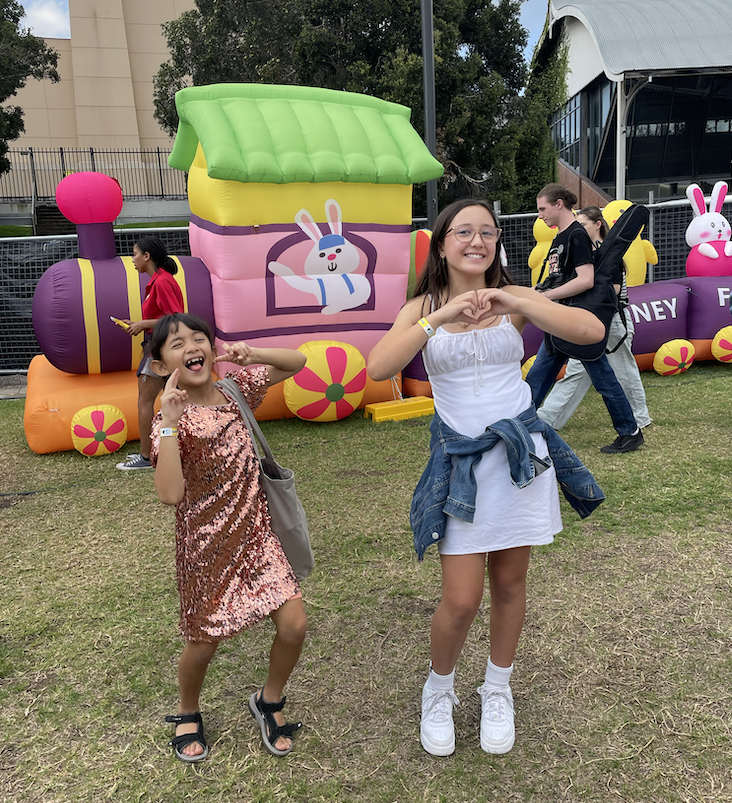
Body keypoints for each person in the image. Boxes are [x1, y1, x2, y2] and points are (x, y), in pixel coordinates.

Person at [367, 199, 605, 757]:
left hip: (520, 460)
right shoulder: (422, 308)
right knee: (460, 599)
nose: (477, 241)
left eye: (488, 233)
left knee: (510, 584)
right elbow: (377, 368)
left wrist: (516, 302)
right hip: (461, 467)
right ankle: (438, 690)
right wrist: (440, 317)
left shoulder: (513, 297)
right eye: (464, 232)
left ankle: (498, 689)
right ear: (441, 242)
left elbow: (591, 331)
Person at [148, 312, 308, 762]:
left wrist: (251, 354)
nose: (191, 347)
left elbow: (297, 362)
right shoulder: (170, 420)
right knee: (203, 644)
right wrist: (170, 421)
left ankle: (268, 700)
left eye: (198, 338)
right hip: (206, 549)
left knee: (294, 625)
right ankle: (187, 709)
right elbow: (170, 494)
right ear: (161, 366)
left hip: (258, 536)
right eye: (176, 344)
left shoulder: (236, 391)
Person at [526, 184, 644, 454]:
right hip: (561, 320)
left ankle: (630, 431)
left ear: (559, 204)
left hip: (574, 321)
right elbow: (559, 277)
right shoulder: (561, 237)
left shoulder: (576, 235)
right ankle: (520, 426)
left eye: (543, 208)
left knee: (602, 379)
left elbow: (585, 279)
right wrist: (535, 293)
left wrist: (547, 296)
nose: (540, 215)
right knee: (538, 377)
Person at [116, 237, 185, 471]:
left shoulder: (162, 282)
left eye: (134, 254)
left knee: (145, 401)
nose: (132, 259)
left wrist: (144, 324)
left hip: (159, 348)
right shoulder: (160, 280)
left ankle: (146, 457)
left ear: (147, 256)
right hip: (159, 345)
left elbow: (175, 318)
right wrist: (138, 325)